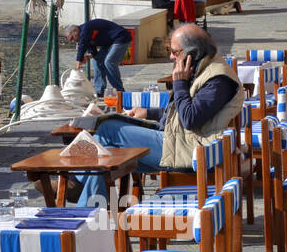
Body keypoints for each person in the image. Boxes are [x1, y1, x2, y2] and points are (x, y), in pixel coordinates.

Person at [73, 24, 244, 206]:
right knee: (105, 157)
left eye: (174, 51)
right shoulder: (205, 68)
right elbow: (187, 110)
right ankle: (88, 219)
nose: (170, 56)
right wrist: (148, 112)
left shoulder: (218, 79)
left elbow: (190, 119)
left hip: (191, 152)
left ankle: (75, 183)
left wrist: (179, 83)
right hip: (179, 141)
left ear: (192, 53)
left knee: (108, 130)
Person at [65, 19, 132, 98]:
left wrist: (78, 60)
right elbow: (93, 52)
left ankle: (120, 91)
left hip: (121, 38)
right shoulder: (85, 36)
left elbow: (82, 45)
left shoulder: (86, 28)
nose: (73, 41)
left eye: (72, 38)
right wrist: (87, 57)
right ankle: (99, 90)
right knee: (96, 60)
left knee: (109, 62)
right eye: (71, 40)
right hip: (110, 43)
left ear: (75, 30)